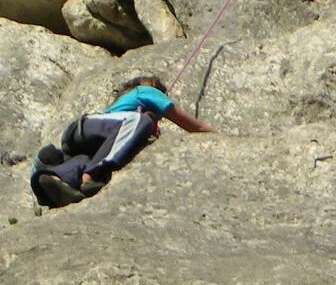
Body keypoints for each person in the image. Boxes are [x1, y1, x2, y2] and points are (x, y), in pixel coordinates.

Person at [33, 75, 216, 206]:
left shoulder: (119, 108)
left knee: (84, 160)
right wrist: (220, 137)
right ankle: (92, 175)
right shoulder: (147, 90)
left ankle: (54, 179)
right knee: (139, 121)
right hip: (87, 127)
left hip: (83, 138)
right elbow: (195, 126)